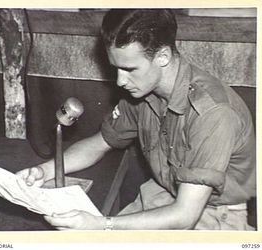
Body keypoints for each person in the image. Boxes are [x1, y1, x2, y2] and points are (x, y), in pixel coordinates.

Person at [16, 9, 256, 230]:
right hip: (162, 195)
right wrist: (42, 170)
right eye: (116, 69)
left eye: (129, 69)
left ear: (162, 57)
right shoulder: (141, 93)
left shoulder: (213, 113)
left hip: (212, 213)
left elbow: (186, 215)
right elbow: (99, 143)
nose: (120, 81)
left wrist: (102, 225)